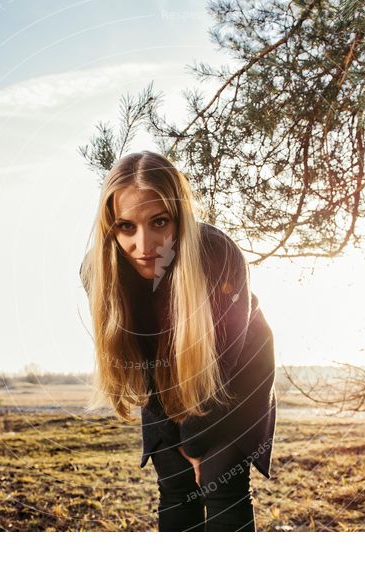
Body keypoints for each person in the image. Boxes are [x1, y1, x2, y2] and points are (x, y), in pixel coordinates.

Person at [80, 150, 277, 532]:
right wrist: (175, 442)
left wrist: (198, 445)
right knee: (173, 480)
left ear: (179, 216)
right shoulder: (100, 271)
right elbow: (140, 360)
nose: (144, 244)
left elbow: (225, 361)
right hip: (163, 378)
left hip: (236, 374)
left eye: (159, 222)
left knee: (222, 479)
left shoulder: (217, 253)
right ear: (111, 227)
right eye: (126, 227)